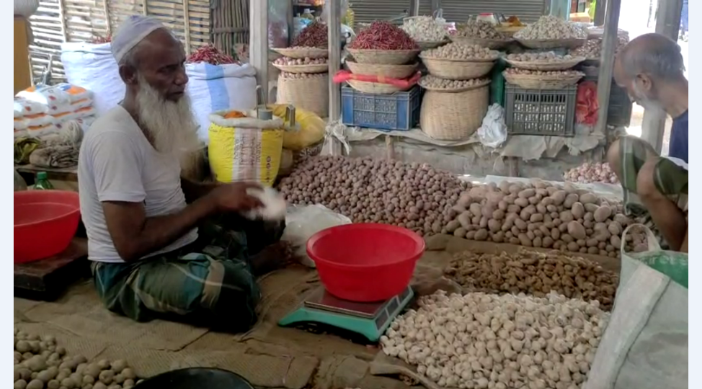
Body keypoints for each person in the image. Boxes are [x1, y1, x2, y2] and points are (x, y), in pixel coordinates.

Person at [78, 16, 285, 332]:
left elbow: (172, 185)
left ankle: (231, 262)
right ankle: (248, 268)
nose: (182, 79)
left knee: (266, 221)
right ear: (129, 75)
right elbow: (130, 245)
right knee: (230, 288)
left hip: (176, 243)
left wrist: (230, 192)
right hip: (129, 269)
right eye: (167, 70)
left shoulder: (156, 118)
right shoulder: (114, 138)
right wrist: (213, 202)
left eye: (181, 65)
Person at [608, 33, 688, 252]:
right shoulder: (681, 114)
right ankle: (655, 236)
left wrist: (682, 272)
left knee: (651, 176)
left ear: (644, 81)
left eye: (627, 89)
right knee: (623, 150)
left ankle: (680, 260)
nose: (630, 98)